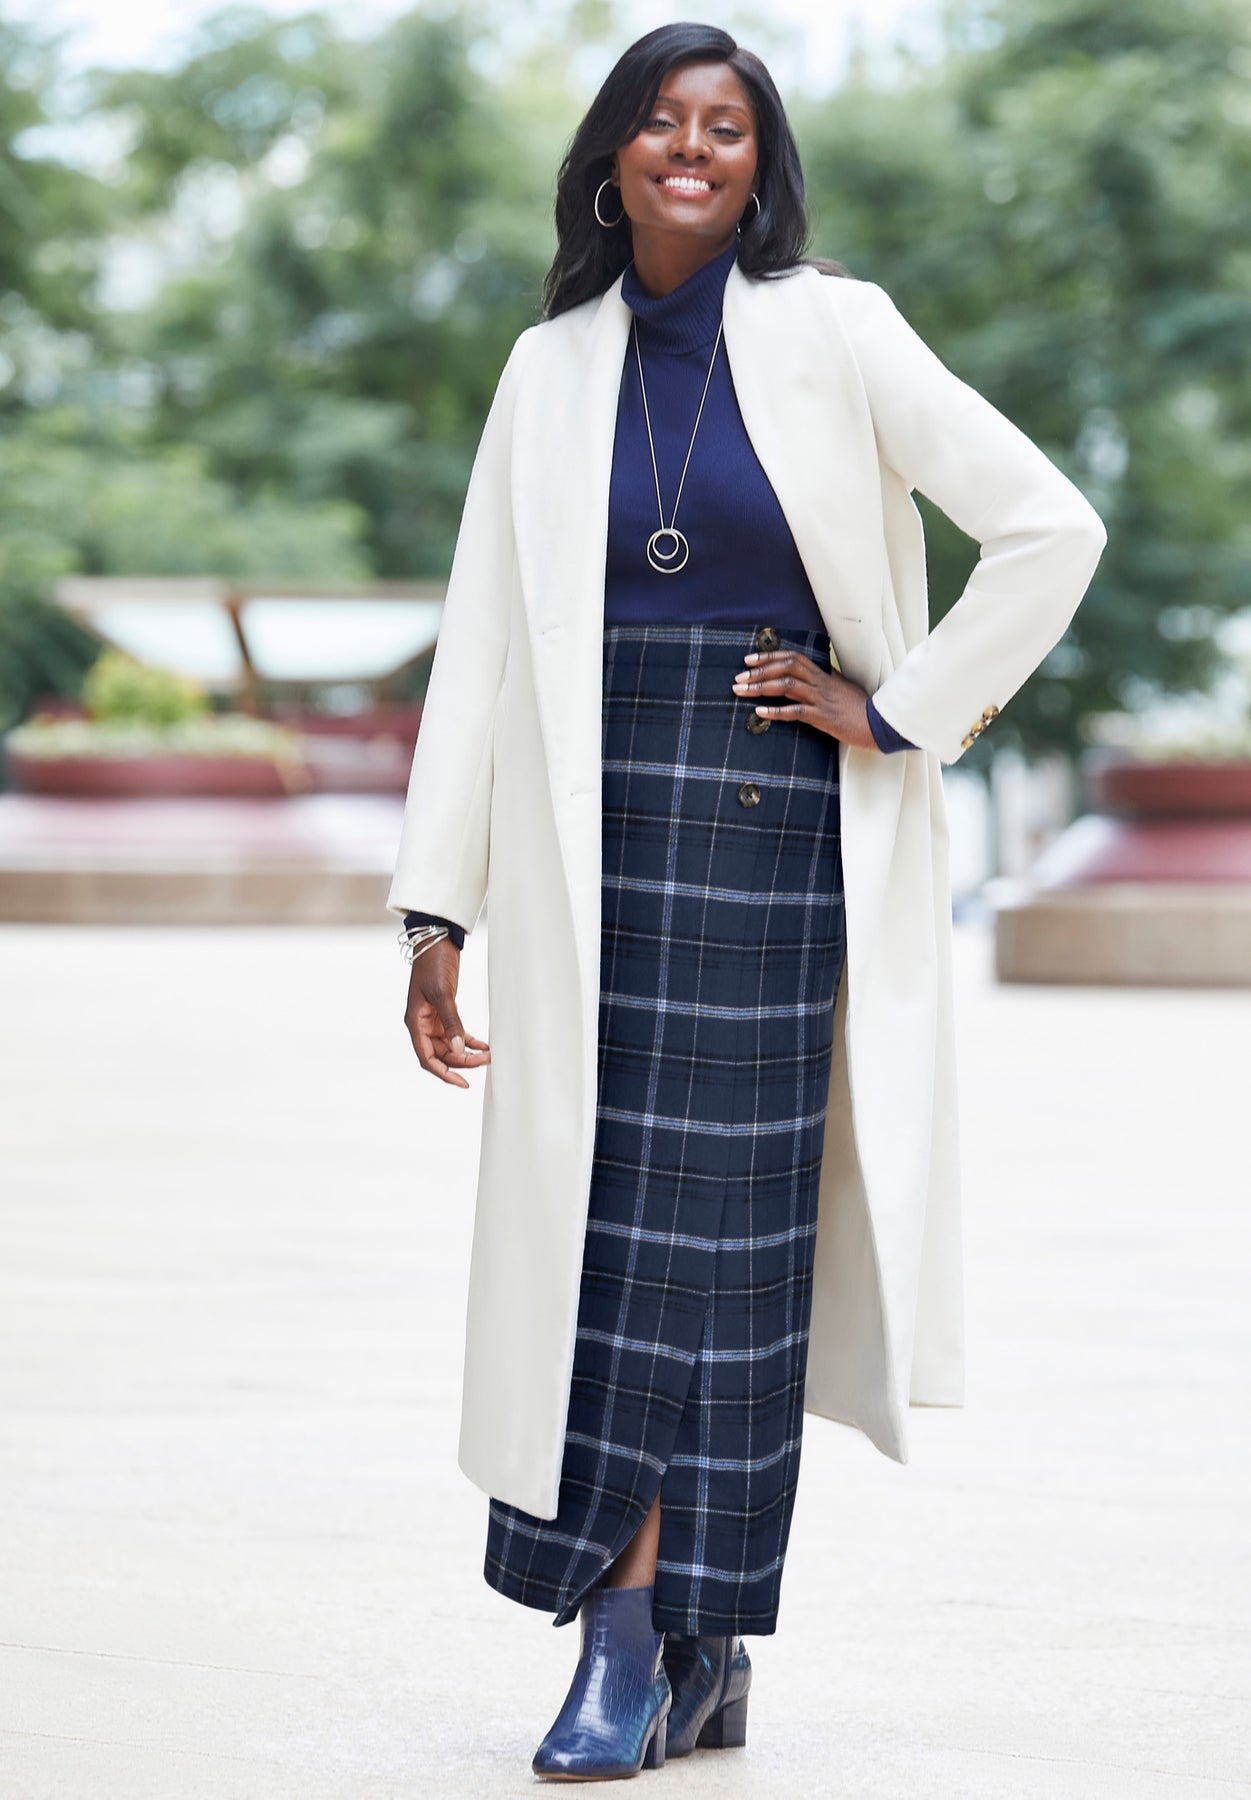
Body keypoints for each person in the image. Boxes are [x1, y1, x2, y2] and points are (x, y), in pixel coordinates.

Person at [388, 20, 1107, 1784]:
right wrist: (436, 911)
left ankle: (628, 1642)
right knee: (614, 1238)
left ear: (760, 163)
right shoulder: (547, 367)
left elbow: (1051, 527)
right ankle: (694, 1651)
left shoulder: (837, 330)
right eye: (661, 121)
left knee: (709, 1247)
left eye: (726, 126)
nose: (692, 148)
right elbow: (481, 644)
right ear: (613, 159)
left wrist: (904, 710)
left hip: (771, 832)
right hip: (587, 849)